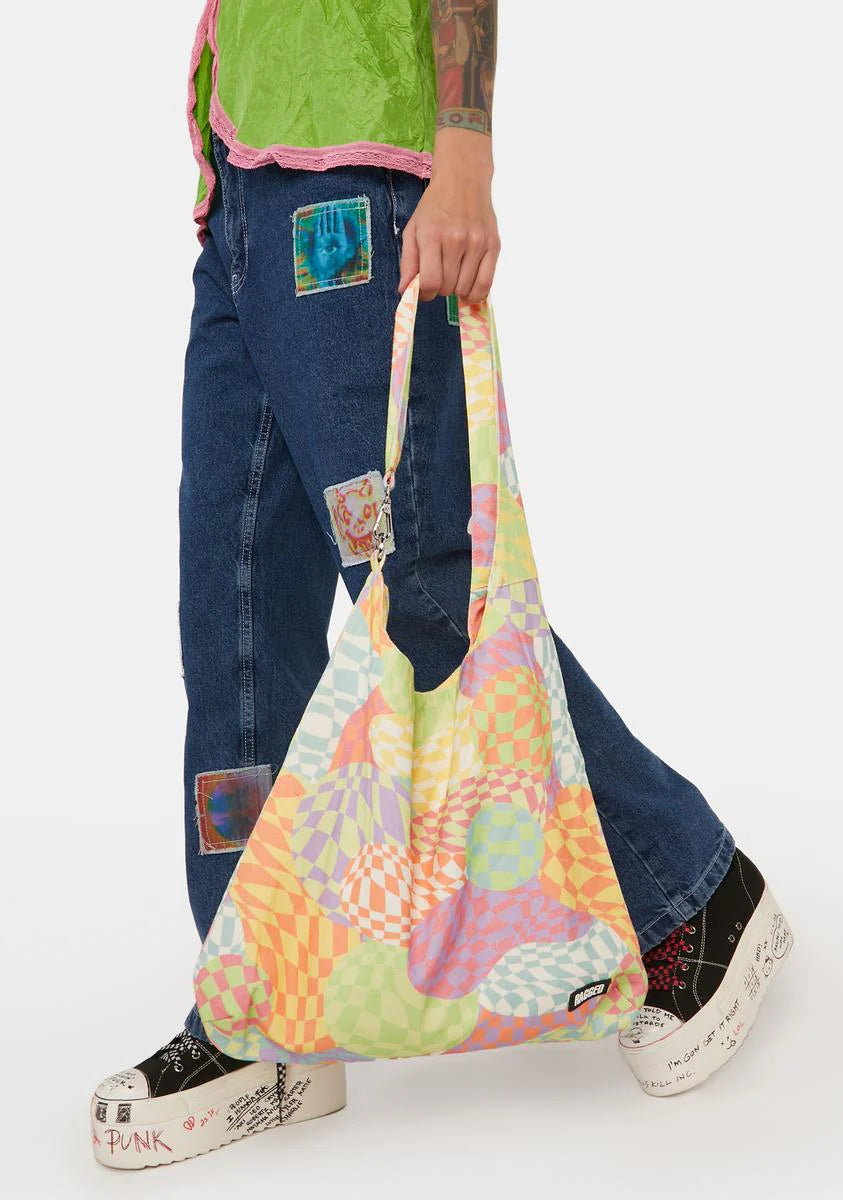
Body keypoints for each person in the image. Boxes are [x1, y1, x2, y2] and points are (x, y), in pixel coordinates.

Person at [90, 0, 792, 1170]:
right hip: (241, 194)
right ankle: (256, 1004)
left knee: (423, 594)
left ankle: (694, 892)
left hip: (348, 197)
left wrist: (465, 149)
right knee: (232, 621)